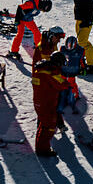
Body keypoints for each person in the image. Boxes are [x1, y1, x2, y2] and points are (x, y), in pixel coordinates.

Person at [30, 28, 67, 157]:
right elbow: (59, 82)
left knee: (45, 118)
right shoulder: (44, 49)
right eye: (58, 37)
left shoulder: (50, 45)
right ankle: (42, 149)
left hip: (44, 92)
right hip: (44, 93)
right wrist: (59, 74)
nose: (59, 40)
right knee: (48, 124)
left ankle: (48, 127)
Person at [69, 0, 93, 68]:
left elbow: (92, 9)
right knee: (82, 41)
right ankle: (90, 58)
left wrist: (88, 21)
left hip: (85, 21)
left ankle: (92, 62)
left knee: (82, 42)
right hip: (79, 19)